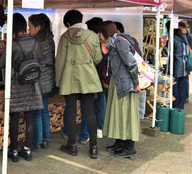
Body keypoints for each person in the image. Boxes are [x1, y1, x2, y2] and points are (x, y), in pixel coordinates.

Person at [0, 13, 43, 162]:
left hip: (15, 84)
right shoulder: (36, 41)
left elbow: (1, 64)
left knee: (14, 118)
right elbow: (38, 60)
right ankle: (28, 150)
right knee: (29, 117)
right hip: (31, 83)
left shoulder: (13, 43)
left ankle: (14, 150)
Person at [56, 10, 102, 159]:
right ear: (82, 19)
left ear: (68, 23)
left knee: (70, 111)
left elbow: (60, 62)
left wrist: (58, 82)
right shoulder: (92, 36)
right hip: (88, 78)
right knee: (89, 112)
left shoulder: (64, 37)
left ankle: (72, 145)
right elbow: (97, 58)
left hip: (69, 78)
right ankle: (94, 148)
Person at [100, 21, 140, 159]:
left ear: (103, 33)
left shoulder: (119, 42)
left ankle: (129, 148)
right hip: (119, 83)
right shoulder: (114, 42)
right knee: (119, 115)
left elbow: (131, 63)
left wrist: (136, 82)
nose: (98, 36)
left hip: (126, 85)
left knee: (126, 116)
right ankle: (119, 143)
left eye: (99, 33)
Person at [28, 14, 55, 151]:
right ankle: (45, 139)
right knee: (44, 110)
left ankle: (37, 142)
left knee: (37, 112)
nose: (28, 30)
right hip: (48, 78)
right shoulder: (49, 39)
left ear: (38, 27)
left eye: (30, 27)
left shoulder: (37, 41)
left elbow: (33, 61)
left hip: (39, 79)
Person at [165, 21, 190, 109]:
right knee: (182, 87)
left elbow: (167, 53)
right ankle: (181, 107)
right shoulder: (184, 38)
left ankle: (176, 106)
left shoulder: (173, 39)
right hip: (185, 66)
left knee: (175, 86)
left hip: (176, 67)